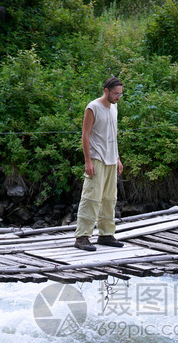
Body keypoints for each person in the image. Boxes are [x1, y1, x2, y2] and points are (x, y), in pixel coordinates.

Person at [74, 77, 124, 251]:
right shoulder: (93, 107)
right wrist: (88, 161)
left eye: (120, 94)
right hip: (96, 158)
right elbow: (85, 135)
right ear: (106, 91)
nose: (118, 97)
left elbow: (113, 134)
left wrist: (117, 158)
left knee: (110, 199)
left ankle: (106, 234)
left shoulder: (115, 107)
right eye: (116, 94)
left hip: (111, 159)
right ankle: (82, 237)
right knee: (91, 198)